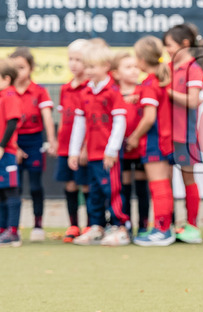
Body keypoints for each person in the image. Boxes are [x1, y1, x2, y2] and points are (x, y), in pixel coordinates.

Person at [68, 40, 132, 246]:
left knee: (112, 190)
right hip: (92, 154)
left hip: (107, 155)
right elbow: (79, 123)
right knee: (94, 192)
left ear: (105, 67)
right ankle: (96, 227)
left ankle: (120, 226)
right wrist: (74, 151)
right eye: (86, 66)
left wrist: (112, 149)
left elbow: (120, 122)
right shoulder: (85, 92)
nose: (87, 70)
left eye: (91, 66)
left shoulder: (113, 91)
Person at [127, 37, 176, 247]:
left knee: (158, 185)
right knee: (163, 183)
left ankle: (162, 230)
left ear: (141, 59)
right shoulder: (158, 79)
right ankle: (165, 227)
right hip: (166, 138)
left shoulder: (149, 83)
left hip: (155, 140)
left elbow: (149, 118)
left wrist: (134, 137)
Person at [163, 23, 203, 244]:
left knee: (188, 177)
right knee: (166, 180)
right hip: (165, 134)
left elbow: (193, 100)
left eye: (169, 45)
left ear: (185, 45)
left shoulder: (193, 68)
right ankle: (167, 226)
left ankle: (192, 226)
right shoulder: (167, 67)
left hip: (186, 135)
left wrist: (168, 92)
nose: (166, 49)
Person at [9, 48, 56, 242]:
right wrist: (14, 147)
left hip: (34, 141)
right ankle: (13, 228)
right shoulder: (7, 92)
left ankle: (38, 225)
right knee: (14, 187)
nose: (18, 72)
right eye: (14, 68)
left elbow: (47, 117)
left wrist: (52, 140)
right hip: (13, 142)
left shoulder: (39, 91)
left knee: (36, 186)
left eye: (22, 67)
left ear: (31, 68)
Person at [111, 52, 149, 238]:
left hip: (141, 147)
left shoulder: (144, 91)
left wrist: (136, 137)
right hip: (122, 150)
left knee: (142, 188)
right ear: (116, 73)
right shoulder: (112, 93)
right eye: (128, 67)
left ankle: (143, 226)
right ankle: (124, 226)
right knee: (123, 188)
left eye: (136, 66)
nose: (134, 71)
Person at [57, 39, 91, 243]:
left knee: (85, 185)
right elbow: (63, 118)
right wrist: (59, 140)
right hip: (65, 146)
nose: (74, 63)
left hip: (83, 147)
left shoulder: (89, 88)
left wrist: (84, 147)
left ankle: (89, 224)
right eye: (71, 59)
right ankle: (73, 224)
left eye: (78, 59)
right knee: (70, 185)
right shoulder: (65, 88)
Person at [0, 61, 24, 247]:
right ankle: (2, 229)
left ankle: (13, 231)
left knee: (10, 190)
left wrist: (2, 146)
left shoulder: (10, 96)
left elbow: (12, 123)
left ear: (7, 79)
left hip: (6, 153)